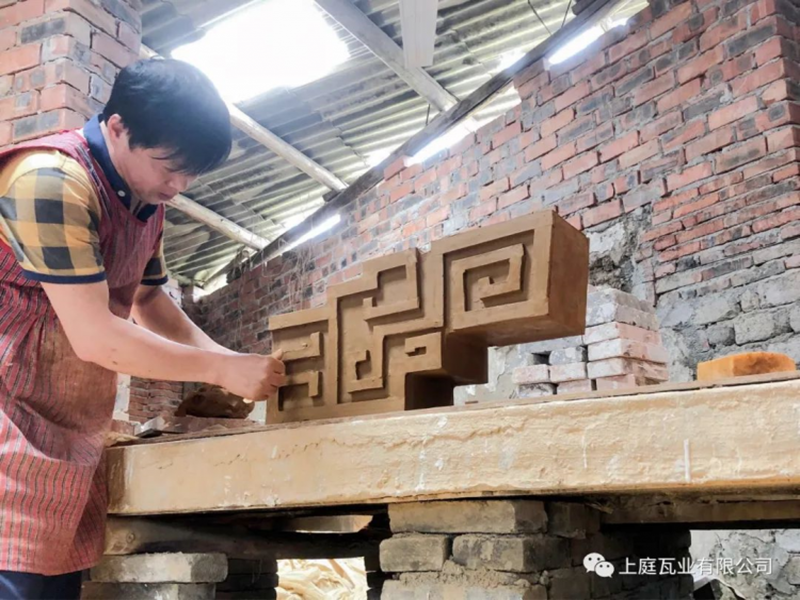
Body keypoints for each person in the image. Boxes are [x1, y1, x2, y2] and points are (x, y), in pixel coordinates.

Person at [0, 58, 285, 599]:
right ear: (117, 127)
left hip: (64, 422)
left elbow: (148, 299)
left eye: (190, 175)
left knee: (52, 581)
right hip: (8, 413)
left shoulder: (143, 199)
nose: (178, 187)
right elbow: (96, 336)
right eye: (168, 168)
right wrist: (220, 368)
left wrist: (231, 363)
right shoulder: (48, 181)